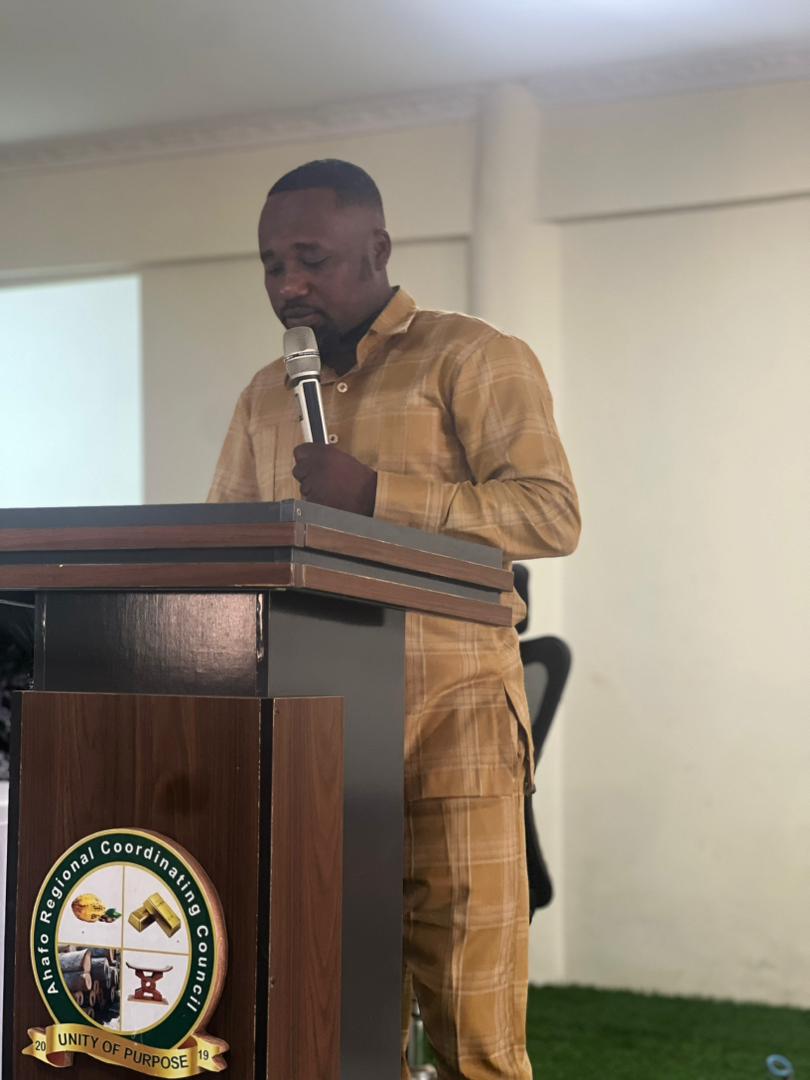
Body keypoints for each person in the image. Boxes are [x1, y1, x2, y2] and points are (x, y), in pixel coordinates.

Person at [208, 159, 580, 1080]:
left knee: (472, 1030)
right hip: (313, 738)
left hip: (454, 723)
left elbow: (549, 515)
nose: (288, 284)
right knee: (326, 1017)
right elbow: (228, 549)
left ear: (378, 249)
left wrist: (379, 497)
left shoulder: (472, 357)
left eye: (311, 259)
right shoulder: (264, 394)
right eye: (271, 264)